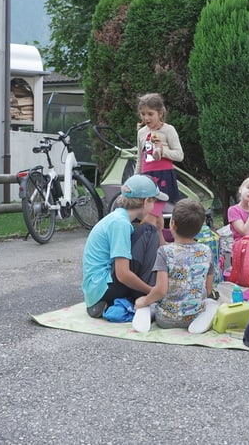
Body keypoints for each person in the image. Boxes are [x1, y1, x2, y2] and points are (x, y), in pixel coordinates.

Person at [82, 175, 169, 319]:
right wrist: (152, 292)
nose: (155, 207)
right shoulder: (120, 224)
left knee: (150, 230)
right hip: (103, 288)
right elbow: (123, 274)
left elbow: (163, 252)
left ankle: (134, 297)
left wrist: (159, 230)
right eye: (154, 201)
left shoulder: (119, 218)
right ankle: (143, 298)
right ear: (146, 201)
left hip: (97, 288)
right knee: (148, 230)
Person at [132, 199, 218, 334]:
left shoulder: (164, 252)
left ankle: (147, 314)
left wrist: (144, 301)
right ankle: (204, 318)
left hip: (166, 320)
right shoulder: (207, 251)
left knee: (151, 303)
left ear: (172, 224)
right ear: (200, 227)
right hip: (194, 315)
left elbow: (160, 290)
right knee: (210, 303)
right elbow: (207, 289)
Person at [137, 93, 184, 245]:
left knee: (154, 213)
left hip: (163, 176)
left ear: (160, 113)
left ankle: (148, 242)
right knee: (152, 215)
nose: (146, 118)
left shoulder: (168, 130)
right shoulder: (142, 133)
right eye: (143, 114)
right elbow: (140, 157)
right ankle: (158, 244)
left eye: (150, 114)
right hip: (146, 177)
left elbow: (179, 155)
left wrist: (163, 152)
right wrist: (136, 178)